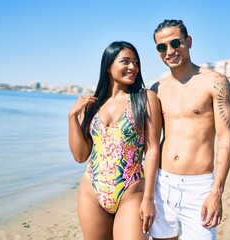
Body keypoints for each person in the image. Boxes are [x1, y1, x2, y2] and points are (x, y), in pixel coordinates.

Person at [149, 19, 230, 240]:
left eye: (175, 42)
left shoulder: (215, 82)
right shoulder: (157, 88)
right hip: (161, 184)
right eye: (162, 47)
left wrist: (217, 191)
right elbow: (149, 143)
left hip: (199, 188)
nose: (169, 51)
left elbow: (225, 139)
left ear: (188, 41)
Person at [68, 41, 162, 240]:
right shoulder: (92, 105)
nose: (133, 67)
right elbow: (80, 155)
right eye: (125, 61)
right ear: (108, 66)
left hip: (132, 190)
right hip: (91, 191)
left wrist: (149, 198)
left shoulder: (145, 99)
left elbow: (153, 150)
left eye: (136, 62)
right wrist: (72, 118)